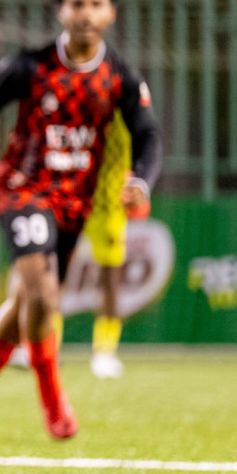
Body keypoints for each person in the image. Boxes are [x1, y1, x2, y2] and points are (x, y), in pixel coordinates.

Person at [0, 0, 160, 443]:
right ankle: (54, 400)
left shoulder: (119, 77)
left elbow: (148, 135)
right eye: (76, 3)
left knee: (25, 302)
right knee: (43, 294)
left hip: (75, 201)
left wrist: (143, 178)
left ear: (111, 13)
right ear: (61, 11)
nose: (85, 13)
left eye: (96, 4)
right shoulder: (30, 65)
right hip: (23, 189)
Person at [84, 109, 139, 379]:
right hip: (66, 194)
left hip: (108, 201)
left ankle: (105, 352)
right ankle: (43, 345)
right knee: (48, 269)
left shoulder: (126, 89)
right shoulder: (67, 88)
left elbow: (147, 134)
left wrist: (141, 180)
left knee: (110, 277)